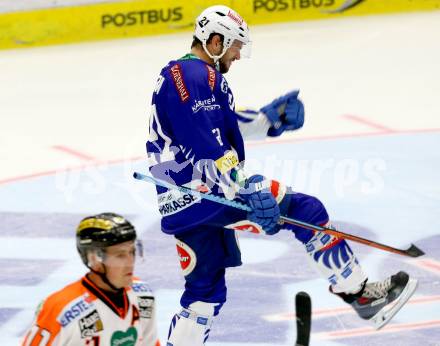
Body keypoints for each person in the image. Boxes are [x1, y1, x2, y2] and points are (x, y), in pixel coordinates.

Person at [146, 5, 417, 345]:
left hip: (180, 201)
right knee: (307, 211)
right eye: (235, 46)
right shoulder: (196, 76)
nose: (239, 55)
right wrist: (243, 188)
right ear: (215, 41)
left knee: (204, 293)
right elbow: (205, 147)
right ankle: (361, 295)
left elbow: (218, 125)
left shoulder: (189, 75)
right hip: (206, 193)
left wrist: (267, 120)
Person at [22, 212, 160, 346]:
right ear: (94, 259)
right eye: (120, 255)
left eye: (132, 252)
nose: (130, 262)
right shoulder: (61, 310)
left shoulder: (143, 296)